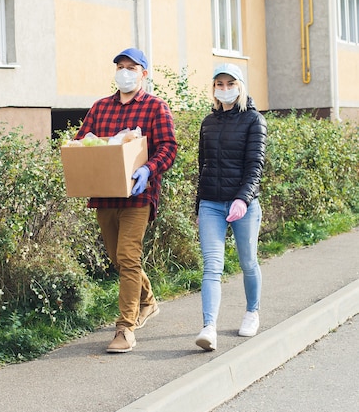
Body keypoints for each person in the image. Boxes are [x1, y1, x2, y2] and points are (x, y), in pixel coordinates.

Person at [74, 47, 177, 353]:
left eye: (132, 67)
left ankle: (125, 328)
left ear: (144, 73)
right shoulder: (100, 107)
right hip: (105, 194)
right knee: (117, 258)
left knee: (129, 257)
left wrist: (148, 169)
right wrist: (78, 151)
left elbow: (168, 147)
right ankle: (147, 301)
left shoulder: (156, 107)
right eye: (121, 66)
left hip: (137, 196)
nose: (125, 72)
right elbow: (82, 141)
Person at [194, 63, 267, 351]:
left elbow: (255, 166)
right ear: (213, 88)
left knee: (248, 262)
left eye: (229, 83)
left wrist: (243, 199)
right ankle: (208, 328)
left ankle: (252, 312)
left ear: (240, 86)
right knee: (212, 266)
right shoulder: (208, 122)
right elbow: (204, 167)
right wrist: (199, 205)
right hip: (211, 203)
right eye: (219, 84)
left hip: (243, 204)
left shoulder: (254, 120)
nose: (224, 89)